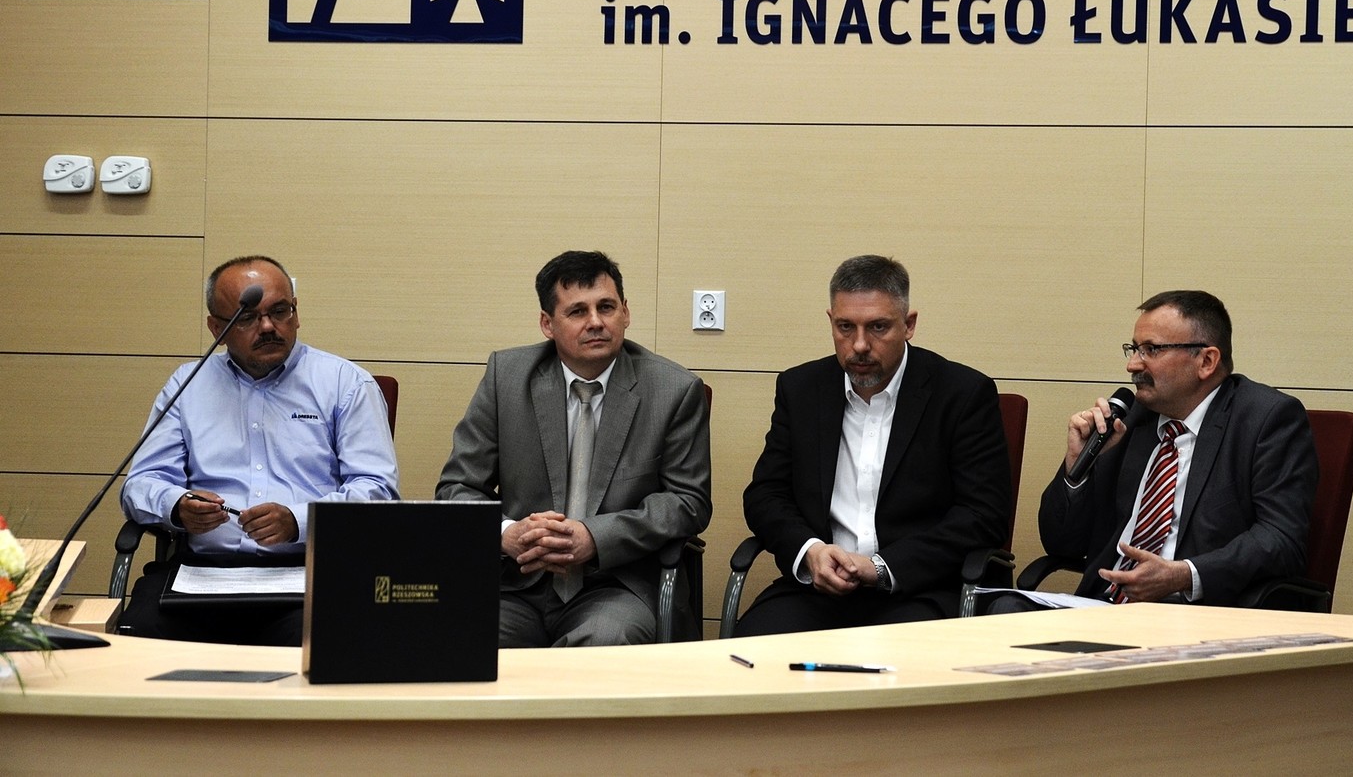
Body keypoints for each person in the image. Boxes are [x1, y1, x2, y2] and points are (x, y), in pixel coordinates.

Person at [119, 255, 400, 646]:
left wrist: (298, 521)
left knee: (330, 641)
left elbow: (377, 492)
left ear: (296, 313)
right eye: (247, 317)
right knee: (139, 639)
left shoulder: (346, 384)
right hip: (204, 575)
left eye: (280, 311)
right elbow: (141, 484)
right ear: (216, 328)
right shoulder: (187, 385)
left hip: (311, 572)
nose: (268, 327)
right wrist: (177, 506)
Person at [436, 250, 711, 647]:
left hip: (616, 584)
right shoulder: (506, 378)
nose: (595, 321)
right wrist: (507, 534)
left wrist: (594, 537)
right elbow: (457, 488)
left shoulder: (673, 390)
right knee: (456, 633)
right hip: (516, 582)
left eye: (606, 307)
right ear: (547, 324)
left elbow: (688, 501)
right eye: (578, 311)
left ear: (626, 313)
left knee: (606, 639)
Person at [735, 254, 1011, 636]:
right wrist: (810, 551)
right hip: (819, 591)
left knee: (898, 658)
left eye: (878, 327)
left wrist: (881, 568)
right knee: (750, 648)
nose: (860, 345)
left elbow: (983, 515)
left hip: (921, 589)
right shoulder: (801, 389)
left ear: (909, 325)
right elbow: (765, 494)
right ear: (831, 321)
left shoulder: (962, 394)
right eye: (845, 327)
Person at [1019, 289, 1316, 608]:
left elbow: (1281, 539)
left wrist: (1185, 575)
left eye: (1151, 350)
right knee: (1005, 609)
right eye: (1134, 349)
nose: (1132, 365)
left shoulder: (1265, 420)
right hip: (1104, 607)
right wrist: (1078, 468)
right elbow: (1062, 544)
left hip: (1197, 613)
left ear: (1206, 361)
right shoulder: (1130, 420)